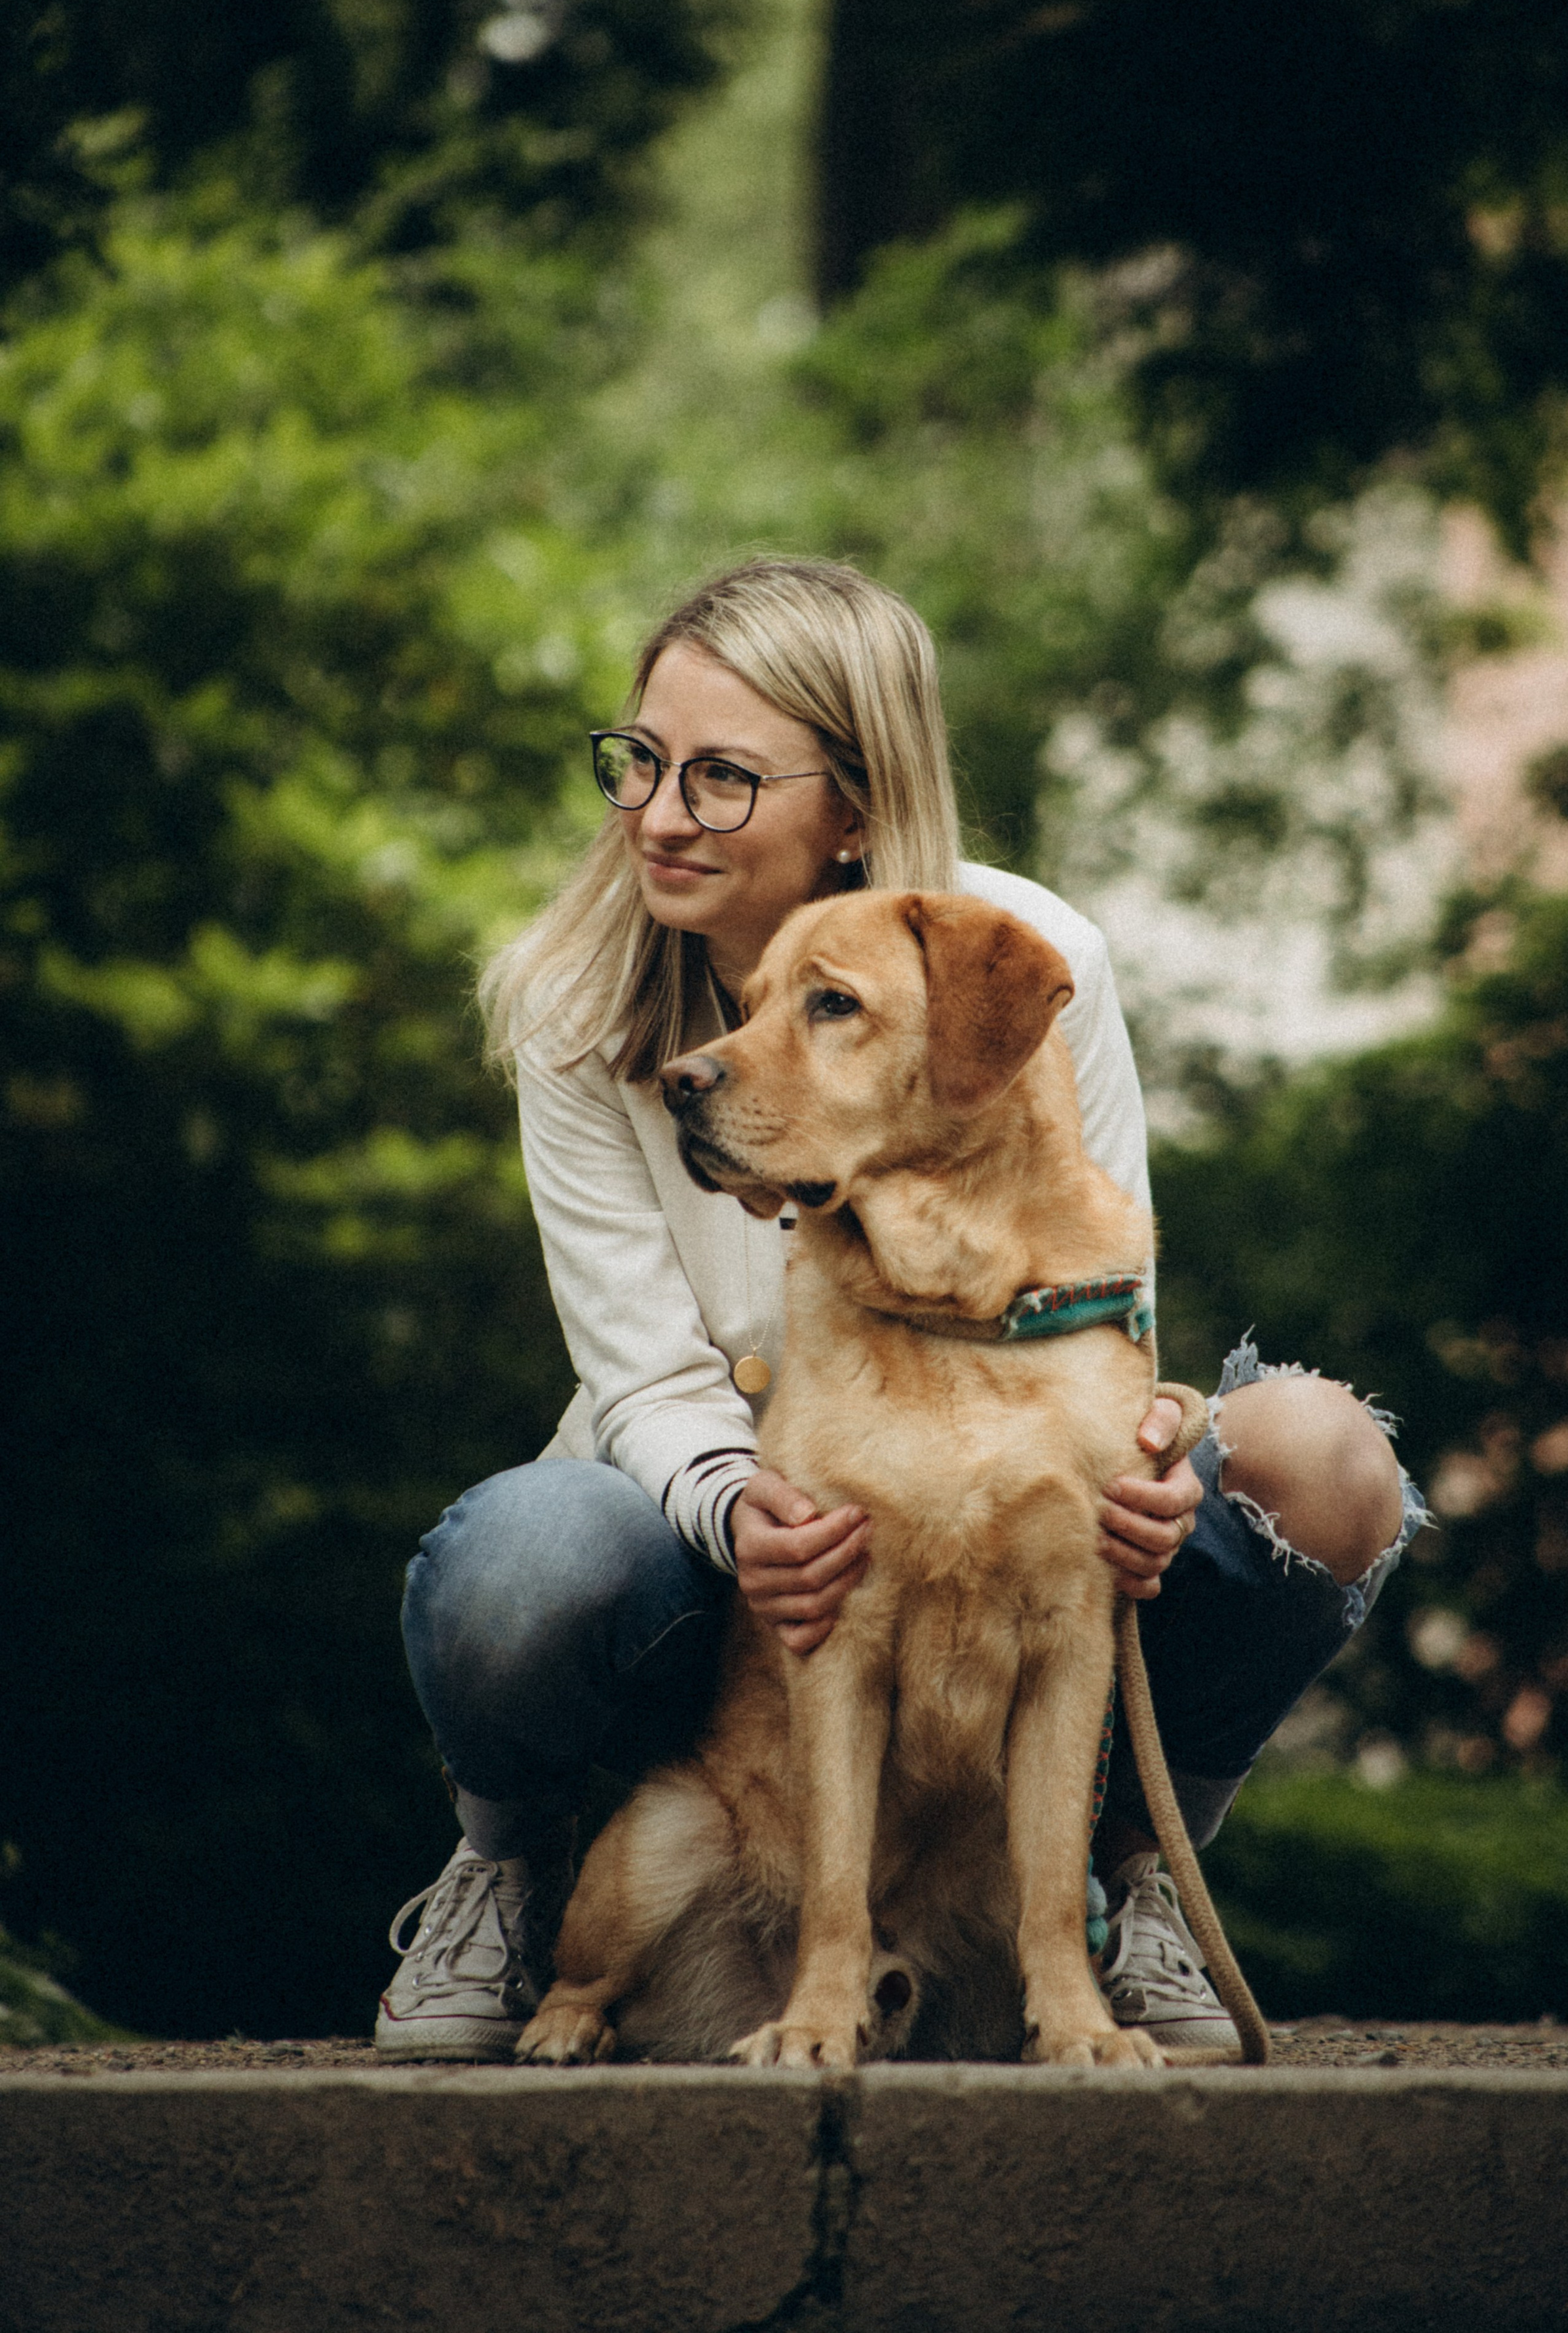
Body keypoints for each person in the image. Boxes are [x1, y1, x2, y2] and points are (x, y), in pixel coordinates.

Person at [375, 556, 1421, 2062]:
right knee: (520, 1563)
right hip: (713, 1530)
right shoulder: (579, 1005)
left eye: (721, 777)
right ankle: (508, 1866)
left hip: (1007, 1496)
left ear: (854, 806)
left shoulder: (1021, 964)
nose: (657, 815)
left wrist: (1142, 1452)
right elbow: (642, 1376)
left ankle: (1128, 1879)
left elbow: (1098, 1289)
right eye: (639, 761)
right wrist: (743, 1512)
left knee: (1318, 1456)